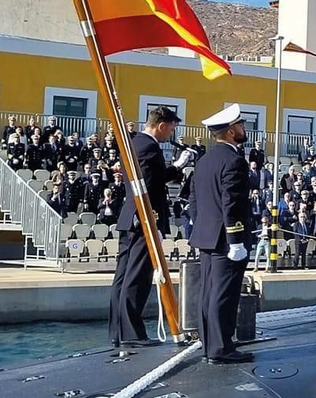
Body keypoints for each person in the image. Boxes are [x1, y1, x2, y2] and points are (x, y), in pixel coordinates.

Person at [108, 105, 192, 347]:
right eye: (171, 129)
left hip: (131, 218)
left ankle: (118, 331)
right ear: (162, 125)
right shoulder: (148, 146)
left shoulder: (135, 143)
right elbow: (146, 186)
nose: (170, 135)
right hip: (142, 219)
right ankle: (132, 334)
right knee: (137, 276)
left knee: (123, 276)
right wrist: (177, 167)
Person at [187, 104, 254, 364]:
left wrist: (202, 223)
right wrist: (236, 240)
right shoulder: (234, 160)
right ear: (229, 132)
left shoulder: (203, 160)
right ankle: (221, 348)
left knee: (209, 292)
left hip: (206, 235)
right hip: (226, 239)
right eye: (239, 125)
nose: (243, 129)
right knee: (224, 294)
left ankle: (209, 342)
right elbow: (232, 203)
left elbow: (193, 199)